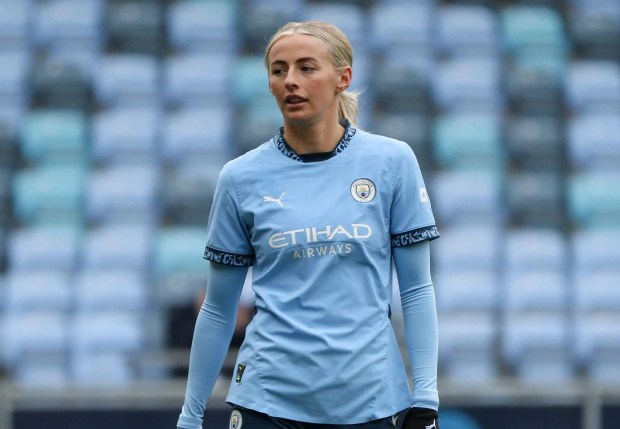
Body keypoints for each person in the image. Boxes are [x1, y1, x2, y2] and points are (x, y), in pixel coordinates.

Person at [177, 21, 441, 429]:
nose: (290, 82)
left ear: (343, 78)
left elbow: (418, 289)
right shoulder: (240, 177)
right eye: (279, 70)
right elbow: (217, 308)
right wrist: (190, 417)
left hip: (370, 402)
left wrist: (425, 397)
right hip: (266, 403)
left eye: (306, 68)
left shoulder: (393, 162)